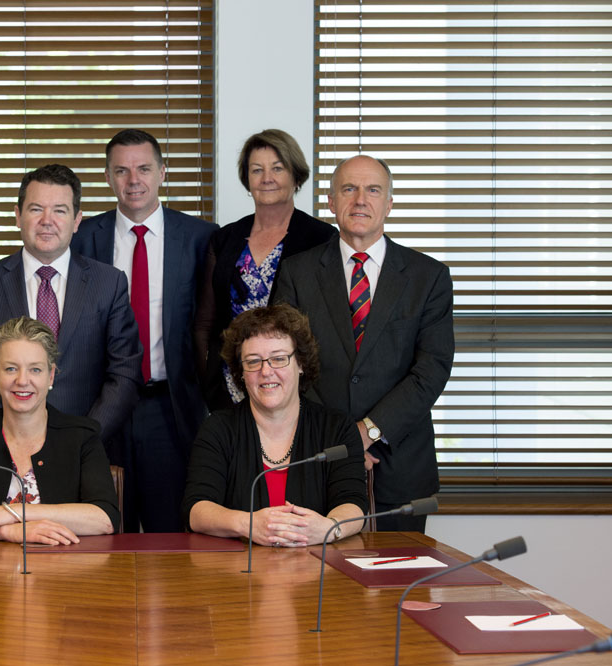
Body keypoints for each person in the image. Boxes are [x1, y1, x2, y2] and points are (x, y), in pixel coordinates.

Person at [273, 155, 454, 532]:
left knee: (396, 583)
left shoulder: (429, 276)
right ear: (331, 201)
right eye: (349, 189)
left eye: (373, 190)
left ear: (389, 203)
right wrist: (341, 439)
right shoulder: (297, 272)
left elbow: (431, 368)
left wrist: (368, 432)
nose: (360, 200)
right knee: (316, 585)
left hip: (400, 464)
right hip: (319, 458)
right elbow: (284, 363)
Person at [71, 129, 217, 533]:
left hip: (169, 408)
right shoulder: (82, 238)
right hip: (100, 404)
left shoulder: (201, 238)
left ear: (162, 173)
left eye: (143, 169)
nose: (133, 180)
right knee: (102, 527)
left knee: (168, 532)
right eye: (121, 170)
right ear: (107, 177)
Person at [0, 164, 142, 445]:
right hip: (3, 450)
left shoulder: (109, 283)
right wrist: (8, 436)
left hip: (85, 448)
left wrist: (83, 437)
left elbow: (124, 374)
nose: (47, 220)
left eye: (60, 210)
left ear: (77, 220)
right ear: (18, 216)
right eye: (36, 209)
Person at [182, 304, 367, 547]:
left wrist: (329, 528)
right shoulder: (218, 428)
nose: (266, 371)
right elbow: (196, 510)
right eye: (253, 361)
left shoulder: (337, 428)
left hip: (319, 572)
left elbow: (353, 503)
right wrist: (247, 524)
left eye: (279, 359)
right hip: (236, 573)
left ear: (300, 364)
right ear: (241, 372)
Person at [0, 317, 120, 543]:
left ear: (50, 375)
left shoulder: (82, 435)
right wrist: (9, 531)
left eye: (35, 370)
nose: (22, 380)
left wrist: (12, 512)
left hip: (65, 571)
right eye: (11, 368)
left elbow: (105, 518)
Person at [194, 129, 337, 413]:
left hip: (294, 390)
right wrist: (210, 384)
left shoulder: (321, 238)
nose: (266, 178)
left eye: (277, 168)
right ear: (247, 180)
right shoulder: (225, 239)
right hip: (230, 389)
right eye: (256, 170)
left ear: (296, 176)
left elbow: (328, 329)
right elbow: (204, 324)